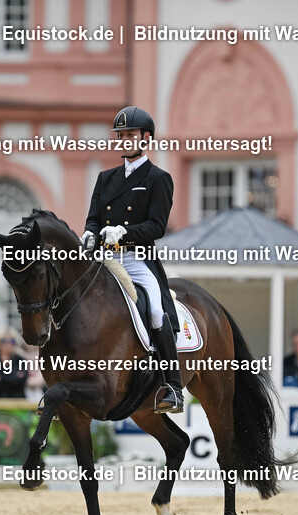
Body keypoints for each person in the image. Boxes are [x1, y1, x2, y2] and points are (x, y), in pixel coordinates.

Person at [81, 105, 183, 413]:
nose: (124, 140)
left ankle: (172, 386)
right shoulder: (104, 178)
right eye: (121, 135)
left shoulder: (158, 178)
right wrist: (90, 233)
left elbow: (157, 226)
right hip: (104, 259)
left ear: (145, 137)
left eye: (130, 135)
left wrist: (123, 232)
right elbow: (94, 218)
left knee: (154, 309)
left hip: (137, 259)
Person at [0, 329, 29, 398]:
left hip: (18, 403)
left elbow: (21, 382)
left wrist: (0, 379)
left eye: (12, 341)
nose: (8, 344)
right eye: (4, 341)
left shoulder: (20, 360)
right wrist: (13, 378)